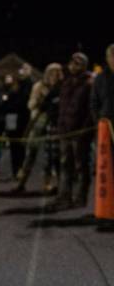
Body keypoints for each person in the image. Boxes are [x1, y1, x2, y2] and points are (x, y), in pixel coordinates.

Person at [46, 52, 94, 211]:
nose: (74, 65)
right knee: (65, 165)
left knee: (81, 166)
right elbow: (61, 107)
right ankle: (63, 197)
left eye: (78, 63)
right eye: (72, 62)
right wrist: (59, 126)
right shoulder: (66, 83)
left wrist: (84, 130)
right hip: (65, 131)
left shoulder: (89, 83)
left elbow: (91, 110)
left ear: (84, 65)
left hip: (80, 133)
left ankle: (80, 198)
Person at [15, 63, 63, 193]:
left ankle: (50, 184)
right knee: (31, 153)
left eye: (58, 73)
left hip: (55, 123)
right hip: (39, 121)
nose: (55, 75)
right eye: (52, 72)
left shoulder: (62, 87)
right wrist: (39, 101)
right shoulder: (39, 86)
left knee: (52, 156)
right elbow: (30, 105)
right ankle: (21, 182)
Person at [90, 44, 114, 231]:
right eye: (111, 55)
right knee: (106, 170)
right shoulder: (101, 78)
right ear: (107, 58)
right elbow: (94, 101)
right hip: (106, 128)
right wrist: (99, 119)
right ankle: (106, 212)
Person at [1, 69, 32, 179]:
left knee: (20, 147)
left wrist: (8, 105)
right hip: (12, 119)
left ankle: (20, 170)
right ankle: (16, 170)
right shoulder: (11, 91)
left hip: (20, 120)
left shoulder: (25, 90)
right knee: (14, 147)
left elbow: (21, 105)